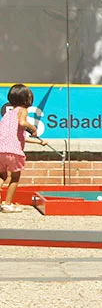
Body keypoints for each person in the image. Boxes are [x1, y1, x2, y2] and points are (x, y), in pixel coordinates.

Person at [0, 84, 47, 213]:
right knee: (15, 178)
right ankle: (7, 204)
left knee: (2, 176)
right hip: (14, 152)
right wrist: (33, 129)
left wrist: (38, 143)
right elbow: (22, 123)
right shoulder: (23, 110)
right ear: (27, 99)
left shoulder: (7, 115)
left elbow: (19, 137)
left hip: (1, 151)